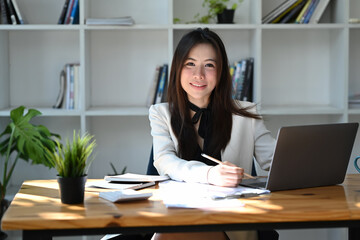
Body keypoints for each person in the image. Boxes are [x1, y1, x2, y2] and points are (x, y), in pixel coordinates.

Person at [149, 28, 277, 240]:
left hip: (230, 218)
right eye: (190, 64)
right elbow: (164, 161)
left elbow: (275, 161)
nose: (199, 74)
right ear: (177, 69)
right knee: (173, 227)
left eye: (209, 65)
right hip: (176, 213)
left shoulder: (247, 114)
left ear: (221, 72)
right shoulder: (160, 113)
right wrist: (210, 174)